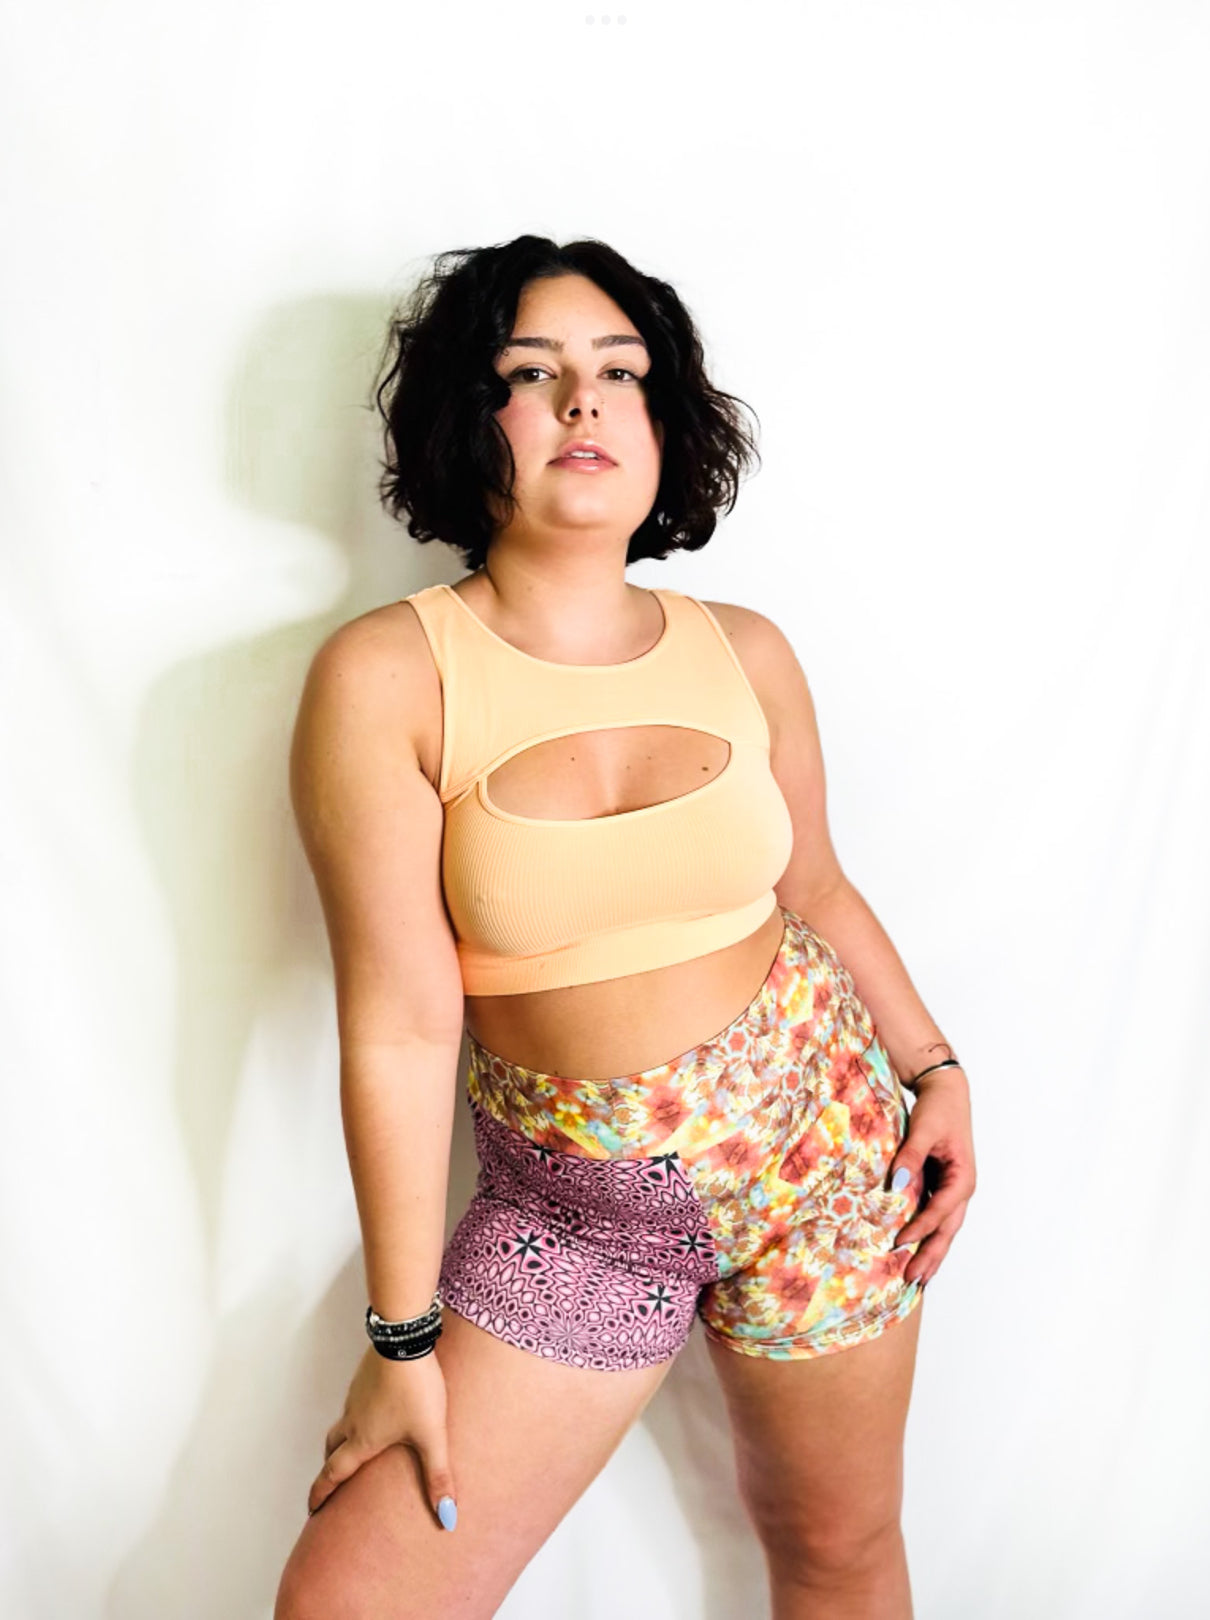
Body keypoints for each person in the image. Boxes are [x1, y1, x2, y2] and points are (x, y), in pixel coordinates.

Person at [273, 234, 976, 1620]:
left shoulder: (746, 650)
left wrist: (936, 1068)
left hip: (829, 1162)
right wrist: (402, 1339)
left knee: (838, 1553)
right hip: (584, 1220)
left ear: (665, 423)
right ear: (467, 419)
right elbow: (402, 1025)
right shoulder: (391, 675)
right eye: (531, 373)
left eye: (620, 372)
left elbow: (818, 890)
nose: (583, 400)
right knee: (351, 1605)